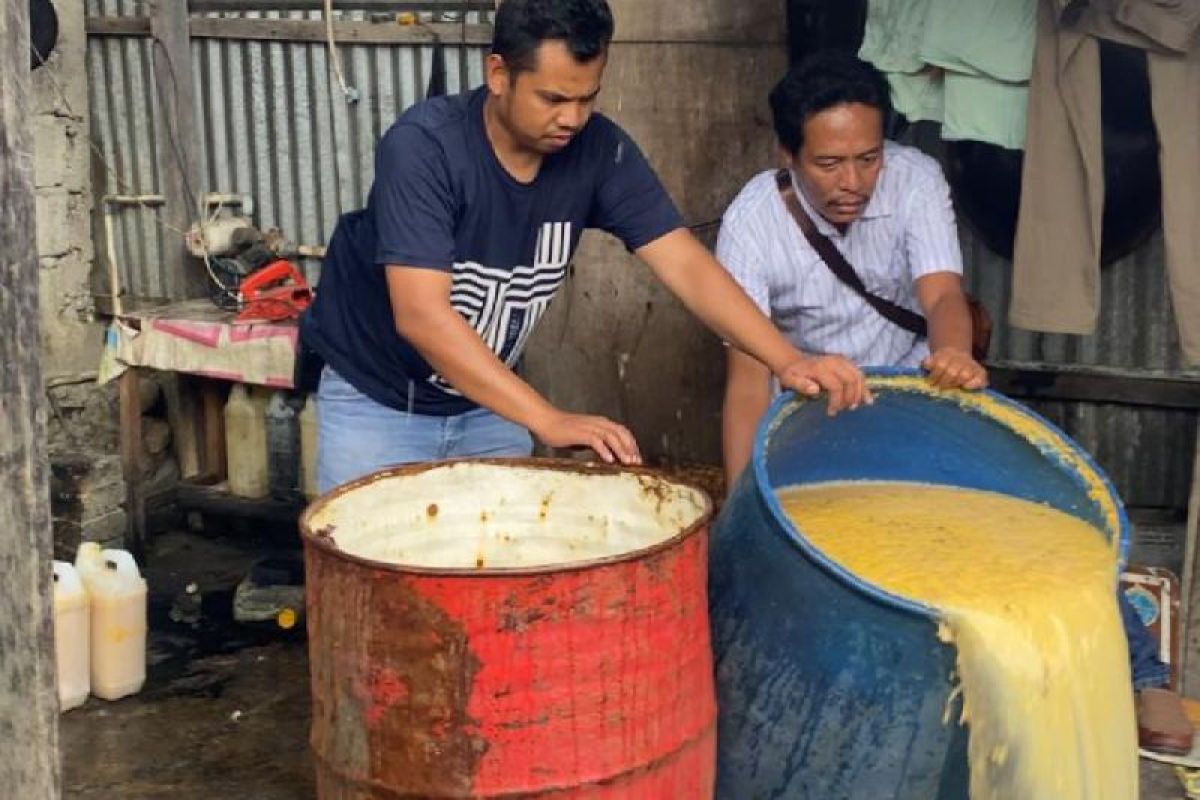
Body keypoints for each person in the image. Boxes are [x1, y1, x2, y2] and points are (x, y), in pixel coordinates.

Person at [717, 50, 1191, 757]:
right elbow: (748, 381)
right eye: (829, 164)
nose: (853, 183)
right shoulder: (751, 223)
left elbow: (941, 296)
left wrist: (956, 353)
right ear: (786, 153)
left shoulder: (915, 180)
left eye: (867, 158)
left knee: (1036, 512)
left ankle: (1144, 670)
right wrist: (745, 513)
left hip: (919, 402)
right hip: (814, 429)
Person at [298, 0, 870, 495]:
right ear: (498, 73)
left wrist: (787, 359)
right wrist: (548, 419)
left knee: (498, 583)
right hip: (376, 401)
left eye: (587, 98)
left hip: (488, 403)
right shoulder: (424, 148)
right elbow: (422, 316)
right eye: (552, 98)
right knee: (376, 584)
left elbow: (685, 263)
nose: (572, 118)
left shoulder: (599, 152)